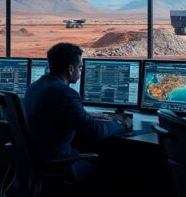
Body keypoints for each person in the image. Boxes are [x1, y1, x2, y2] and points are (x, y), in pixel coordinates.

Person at [23, 42, 132, 183]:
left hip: (37, 164)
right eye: (80, 67)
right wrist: (121, 123)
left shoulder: (34, 87)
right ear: (70, 69)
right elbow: (96, 131)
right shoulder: (65, 94)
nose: (81, 71)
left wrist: (86, 116)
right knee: (117, 167)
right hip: (59, 165)